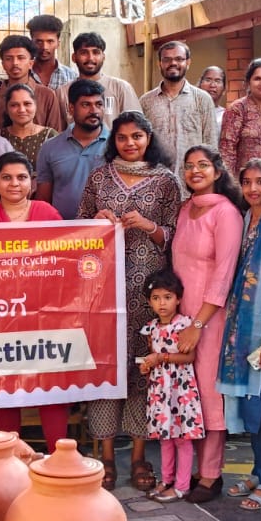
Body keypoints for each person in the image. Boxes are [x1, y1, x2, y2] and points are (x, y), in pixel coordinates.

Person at [77, 111, 182, 491]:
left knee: (143, 368)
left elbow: (176, 234)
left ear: (148, 139)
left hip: (149, 294)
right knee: (106, 368)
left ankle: (138, 457)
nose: (130, 143)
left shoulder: (167, 181)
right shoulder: (99, 178)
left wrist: (150, 227)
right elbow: (78, 228)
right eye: (122, 137)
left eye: (137, 136)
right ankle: (106, 457)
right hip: (104, 290)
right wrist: (97, 221)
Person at [0, 151, 70, 451]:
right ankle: (10, 458)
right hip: (1, 314)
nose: (14, 184)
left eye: (21, 177)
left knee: (49, 385)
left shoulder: (47, 213)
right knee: (6, 385)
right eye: (6, 178)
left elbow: (64, 258)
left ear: (32, 182)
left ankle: (59, 456)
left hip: (44, 313)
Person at [171, 145, 244, 504]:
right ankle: (193, 470)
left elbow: (224, 274)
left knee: (210, 394)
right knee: (190, 392)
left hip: (211, 318)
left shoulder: (226, 213)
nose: (195, 171)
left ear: (217, 171)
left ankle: (211, 473)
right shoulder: (186, 208)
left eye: (203, 165)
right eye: (189, 166)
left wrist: (198, 324)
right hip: (182, 315)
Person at [218, 159, 261, 511]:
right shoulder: (246, 220)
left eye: (260, 182)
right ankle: (259, 472)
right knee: (252, 405)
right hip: (241, 328)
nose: (252, 189)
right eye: (246, 182)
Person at [138, 270, 204, 504]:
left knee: (182, 438)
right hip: (160, 390)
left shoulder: (183, 325)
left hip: (180, 389)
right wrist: (148, 366)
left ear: (178, 299)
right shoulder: (151, 327)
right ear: (150, 302)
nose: (162, 303)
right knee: (164, 437)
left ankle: (182, 486)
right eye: (156, 298)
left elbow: (189, 357)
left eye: (167, 297)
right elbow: (152, 354)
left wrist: (161, 358)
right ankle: (166, 480)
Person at [35, 80, 109, 219]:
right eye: (86, 105)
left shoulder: (116, 146)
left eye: (99, 104)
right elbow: (43, 201)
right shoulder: (50, 147)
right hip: (62, 229)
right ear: (71, 108)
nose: (94, 111)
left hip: (105, 228)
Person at [141, 41, 217, 170]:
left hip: (192, 177)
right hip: (156, 177)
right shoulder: (146, 101)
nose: (173, 63)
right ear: (159, 64)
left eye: (179, 59)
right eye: (167, 59)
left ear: (188, 63)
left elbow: (211, 144)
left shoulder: (202, 99)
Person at [60, 32, 141, 127]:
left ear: (103, 57)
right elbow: (58, 131)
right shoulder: (63, 92)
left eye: (96, 52)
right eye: (84, 53)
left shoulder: (121, 88)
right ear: (74, 57)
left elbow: (135, 126)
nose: (90, 58)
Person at [0, 35, 69, 132]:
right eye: (9, 58)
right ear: (3, 64)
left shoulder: (47, 95)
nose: (15, 63)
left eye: (21, 58)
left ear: (31, 63)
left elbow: (55, 134)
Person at [3, 83, 61, 166]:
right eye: (14, 105)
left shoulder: (50, 136)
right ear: (6, 109)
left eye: (27, 104)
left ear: (36, 106)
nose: (22, 110)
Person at [26, 14, 78, 90]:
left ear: (58, 44)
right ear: (32, 43)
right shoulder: (23, 74)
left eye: (50, 41)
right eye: (39, 41)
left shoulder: (71, 77)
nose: (44, 47)